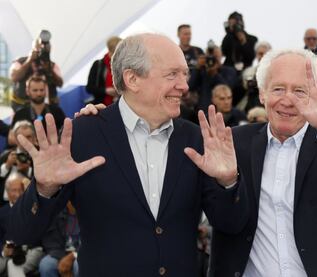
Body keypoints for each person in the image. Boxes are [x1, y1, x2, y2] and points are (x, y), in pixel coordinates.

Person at [9, 34, 248, 276]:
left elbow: (231, 224)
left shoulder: (197, 139)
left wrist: (228, 182)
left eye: (184, 74)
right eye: (172, 74)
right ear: (132, 78)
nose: (184, 86)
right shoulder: (83, 135)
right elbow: (22, 232)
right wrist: (44, 189)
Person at [208, 50, 317, 276]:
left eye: (300, 91)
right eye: (278, 89)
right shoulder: (232, 143)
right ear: (262, 93)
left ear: (314, 95)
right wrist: (227, 183)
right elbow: (220, 218)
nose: (288, 100)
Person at [9, 30, 63, 111]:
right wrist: (29, 60)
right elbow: (14, 77)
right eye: (39, 47)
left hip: (47, 108)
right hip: (22, 108)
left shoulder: (52, 65)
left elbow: (60, 83)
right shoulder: (20, 62)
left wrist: (49, 70)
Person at [86, 36, 122, 105]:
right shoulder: (98, 65)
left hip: (119, 105)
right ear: (109, 51)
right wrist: (105, 90)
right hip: (101, 104)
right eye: (115, 52)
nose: (118, 56)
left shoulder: (123, 65)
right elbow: (89, 88)